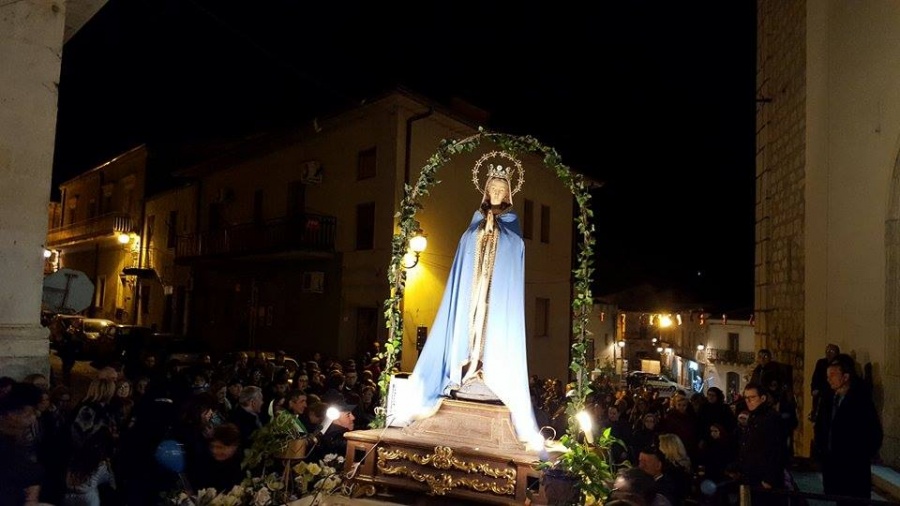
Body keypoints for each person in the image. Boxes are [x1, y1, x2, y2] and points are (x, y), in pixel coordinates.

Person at [403, 154, 542, 449]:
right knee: (471, 329)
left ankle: (489, 371)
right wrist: (483, 231)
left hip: (495, 295)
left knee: (489, 329)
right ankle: (466, 370)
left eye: (501, 190)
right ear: (485, 190)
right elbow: (466, 247)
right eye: (492, 188)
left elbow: (515, 248)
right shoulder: (475, 222)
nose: (496, 193)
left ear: (508, 193)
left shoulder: (512, 224)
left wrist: (498, 233)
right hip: (473, 292)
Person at [814, 353, 882, 502]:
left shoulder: (860, 402)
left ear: (845, 377)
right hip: (833, 467)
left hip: (853, 469)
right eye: (827, 375)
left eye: (833, 375)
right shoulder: (829, 400)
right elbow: (822, 427)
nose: (828, 379)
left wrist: (858, 455)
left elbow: (874, 434)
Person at [735, 382, 785, 496]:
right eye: (746, 397)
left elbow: (778, 449)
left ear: (762, 398)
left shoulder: (771, 418)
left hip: (764, 479)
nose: (748, 401)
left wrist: (769, 479)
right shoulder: (753, 416)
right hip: (752, 475)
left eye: (752, 397)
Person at [809, 343, 839, 422]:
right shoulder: (821, 363)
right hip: (821, 394)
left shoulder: (839, 365)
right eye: (827, 351)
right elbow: (815, 378)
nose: (828, 353)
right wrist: (814, 389)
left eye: (831, 351)